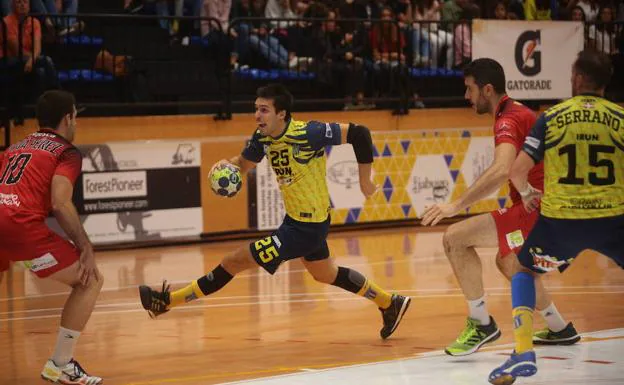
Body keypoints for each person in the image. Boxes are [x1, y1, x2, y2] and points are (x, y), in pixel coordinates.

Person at [138, 83, 411, 339]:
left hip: (306, 228)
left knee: (233, 261)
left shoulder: (307, 133)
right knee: (325, 274)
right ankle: (390, 303)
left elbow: (359, 133)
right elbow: (244, 165)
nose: (257, 115)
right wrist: (228, 166)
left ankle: (167, 302)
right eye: (256, 108)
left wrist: (364, 180)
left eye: (264, 109)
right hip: (297, 222)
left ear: (281, 113)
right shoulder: (262, 137)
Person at [420, 58, 579, 356]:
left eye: (470, 89)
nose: (466, 97)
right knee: (509, 263)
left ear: (488, 89)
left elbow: (501, 169)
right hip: (547, 204)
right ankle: (560, 328)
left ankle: (481, 324)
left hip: (540, 205)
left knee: (454, 238)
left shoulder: (508, 119)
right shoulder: (516, 112)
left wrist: (455, 205)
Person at [489, 49, 624, 385]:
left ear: (577, 78)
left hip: (562, 222)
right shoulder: (621, 119)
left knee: (521, 270)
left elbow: (518, 170)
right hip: (614, 219)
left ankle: (522, 350)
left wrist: (528, 193)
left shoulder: (552, 117)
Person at [0, 90, 103, 384]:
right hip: (20, 226)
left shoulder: (16, 146)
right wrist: (85, 246)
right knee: (90, 280)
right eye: (76, 117)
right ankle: (61, 364)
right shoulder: (66, 151)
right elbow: (60, 202)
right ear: (68, 117)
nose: (76, 124)